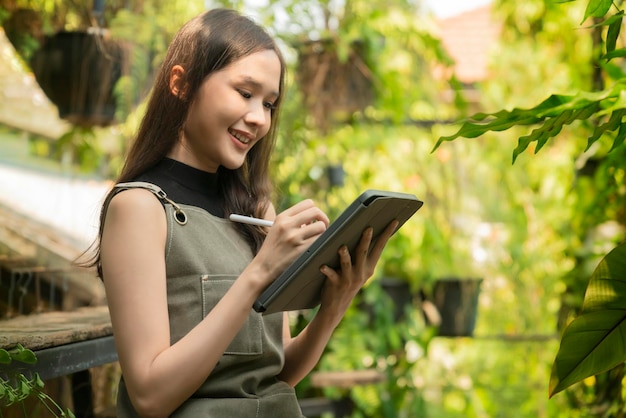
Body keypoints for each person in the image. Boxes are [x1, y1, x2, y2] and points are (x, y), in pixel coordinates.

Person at [90, 8, 398, 418]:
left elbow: (277, 372)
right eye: (245, 93)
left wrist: (334, 305)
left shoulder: (255, 213)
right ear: (181, 83)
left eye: (269, 104)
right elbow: (149, 396)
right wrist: (259, 274)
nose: (259, 118)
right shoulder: (140, 208)